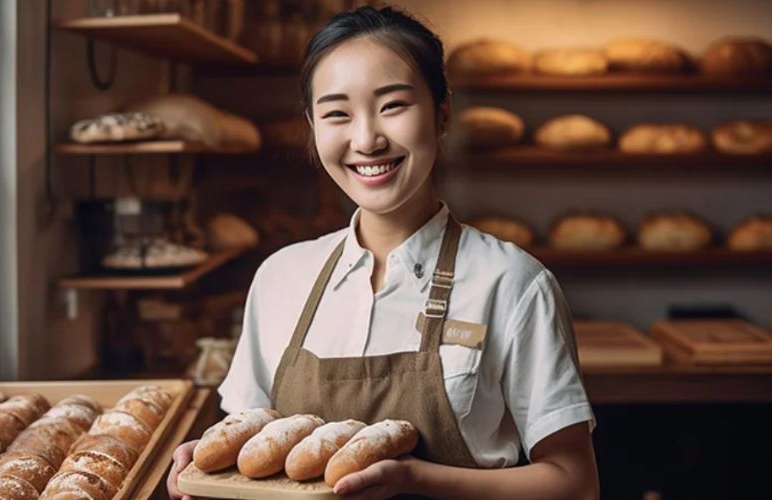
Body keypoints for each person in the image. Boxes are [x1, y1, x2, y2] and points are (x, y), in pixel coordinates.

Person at [168, 5, 598, 499]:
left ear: (442, 114)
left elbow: (575, 484)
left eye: (392, 105)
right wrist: (207, 465)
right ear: (313, 127)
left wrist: (414, 477)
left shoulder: (513, 283)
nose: (367, 139)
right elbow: (250, 444)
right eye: (336, 114)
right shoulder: (280, 278)